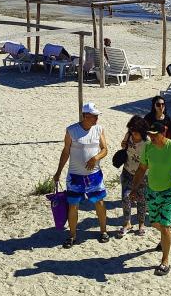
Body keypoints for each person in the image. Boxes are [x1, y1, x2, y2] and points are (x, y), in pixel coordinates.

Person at [131, 121, 171, 276]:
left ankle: (165, 261)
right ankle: (168, 237)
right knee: (154, 223)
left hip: (169, 192)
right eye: (150, 135)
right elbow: (142, 168)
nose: (151, 137)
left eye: (154, 135)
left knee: (165, 226)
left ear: (163, 133)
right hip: (152, 190)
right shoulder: (148, 147)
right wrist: (134, 188)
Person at [53, 102, 110, 247]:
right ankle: (72, 236)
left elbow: (105, 149)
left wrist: (95, 158)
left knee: (99, 203)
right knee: (73, 205)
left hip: (94, 175)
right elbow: (66, 151)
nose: (97, 118)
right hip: (75, 176)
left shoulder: (99, 129)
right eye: (94, 116)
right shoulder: (71, 130)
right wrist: (58, 172)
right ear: (85, 116)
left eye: (97, 116)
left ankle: (103, 231)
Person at [117, 115, 149, 238]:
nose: (133, 133)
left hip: (142, 175)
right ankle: (127, 223)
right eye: (131, 130)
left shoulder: (147, 142)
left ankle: (141, 224)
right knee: (126, 198)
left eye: (136, 131)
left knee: (141, 200)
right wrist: (123, 144)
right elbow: (123, 146)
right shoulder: (129, 134)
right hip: (127, 171)